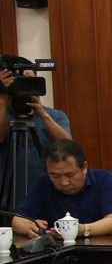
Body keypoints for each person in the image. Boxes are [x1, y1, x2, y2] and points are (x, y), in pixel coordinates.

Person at [12, 139, 112, 239]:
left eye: (70, 175)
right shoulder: (43, 181)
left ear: (84, 167)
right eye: (55, 176)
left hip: (99, 248)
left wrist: (83, 229)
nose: (64, 182)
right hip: (55, 250)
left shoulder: (104, 179)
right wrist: (30, 227)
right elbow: (18, 221)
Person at [0, 55, 70, 212]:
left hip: (46, 197)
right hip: (7, 199)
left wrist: (43, 115)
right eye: (19, 80)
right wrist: (2, 98)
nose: (24, 84)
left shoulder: (55, 116)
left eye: (29, 79)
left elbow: (68, 146)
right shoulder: (4, 114)